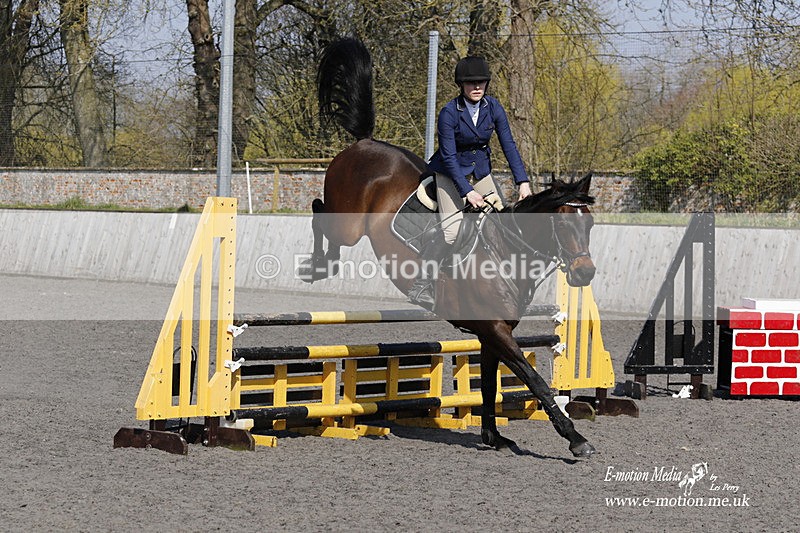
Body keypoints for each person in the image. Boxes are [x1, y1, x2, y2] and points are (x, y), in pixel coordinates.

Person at [408, 55, 532, 310]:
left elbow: (509, 145)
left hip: (480, 171)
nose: (476, 87)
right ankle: (421, 283)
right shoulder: (449, 113)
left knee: (502, 223)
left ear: (487, 83)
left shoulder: (494, 108)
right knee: (452, 231)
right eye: (470, 83)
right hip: (450, 173)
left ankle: (505, 282)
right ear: (461, 85)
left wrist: (523, 181)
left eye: (481, 82)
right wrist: (467, 192)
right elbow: (449, 157)